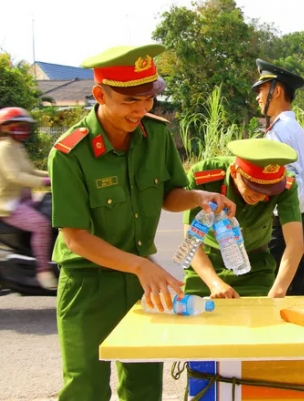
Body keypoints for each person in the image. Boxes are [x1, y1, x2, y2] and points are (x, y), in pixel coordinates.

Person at [48, 44, 236, 401]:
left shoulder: (157, 135)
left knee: (145, 386)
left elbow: (170, 194)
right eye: (130, 101)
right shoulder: (70, 153)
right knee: (85, 387)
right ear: (99, 94)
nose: (142, 109)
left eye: (149, 98)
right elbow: (76, 238)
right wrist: (140, 267)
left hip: (142, 279)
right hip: (88, 284)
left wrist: (199, 198)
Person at [182, 138, 304, 299]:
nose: (260, 197)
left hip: (255, 269)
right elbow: (190, 240)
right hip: (206, 268)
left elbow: (295, 244)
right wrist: (215, 284)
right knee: (200, 321)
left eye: (268, 191)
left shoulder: (286, 185)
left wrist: (279, 290)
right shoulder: (203, 176)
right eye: (254, 188)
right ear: (234, 172)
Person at [251, 58, 304, 296]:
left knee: (277, 296)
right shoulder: (296, 129)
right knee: (296, 295)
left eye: (262, 90)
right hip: (299, 221)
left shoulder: (279, 132)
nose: (258, 96)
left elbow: (288, 182)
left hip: (284, 225)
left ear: (276, 91)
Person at [0, 107, 56, 289]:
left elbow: (30, 171)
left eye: (24, 126)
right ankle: (43, 271)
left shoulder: (17, 147)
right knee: (41, 224)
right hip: (8, 203)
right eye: (18, 126)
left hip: (24, 199)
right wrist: (46, 181)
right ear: (6, 127)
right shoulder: (4, 148)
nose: (22, 129)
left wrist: (57, 175)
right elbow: (15, 176)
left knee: (52, 210)